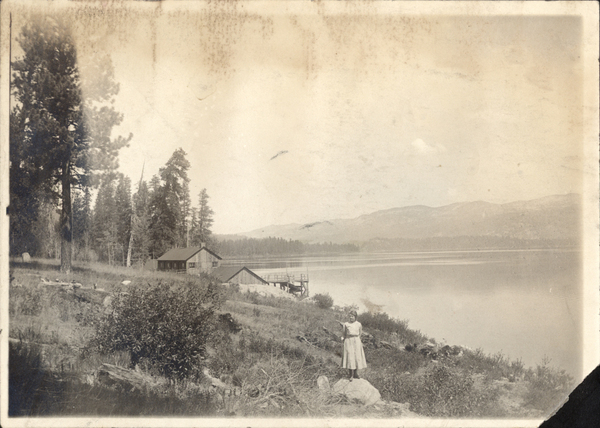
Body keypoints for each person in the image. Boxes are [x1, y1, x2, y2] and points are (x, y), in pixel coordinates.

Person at [338, 310, 367, 380]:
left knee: (356, 356)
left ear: (355, 317)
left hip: (356, 341)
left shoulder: (359, 324)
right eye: (350, 316)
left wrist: (357, 340)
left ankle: (356, 373)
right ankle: (350, 374)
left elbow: (360, 333)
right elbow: (344, 333)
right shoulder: (346, 324)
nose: (351, 317)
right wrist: (343, 339)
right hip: (348, 341)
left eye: (352, 316)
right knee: (350, 357)